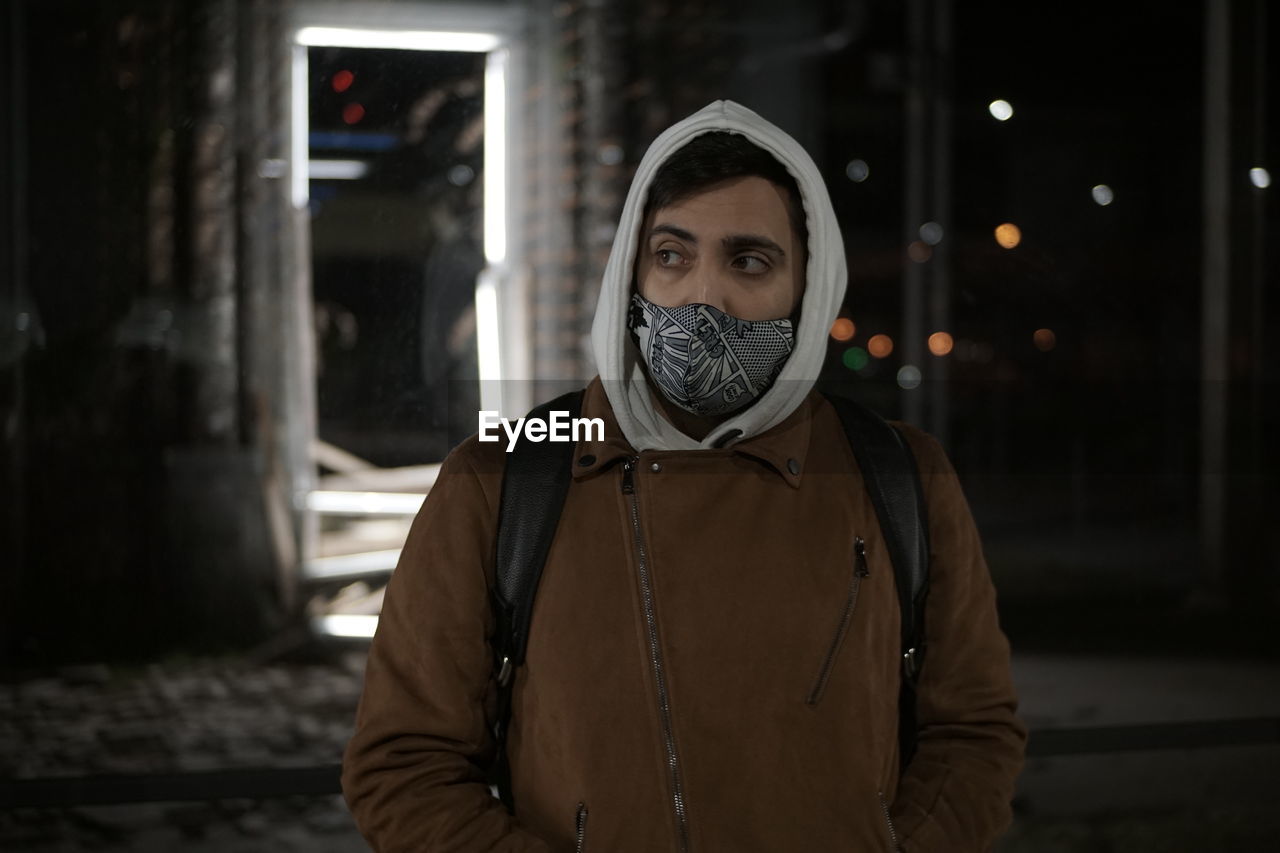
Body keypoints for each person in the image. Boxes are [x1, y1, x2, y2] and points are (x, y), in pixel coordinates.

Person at [342, 100, 1026, 852]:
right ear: (631, 273)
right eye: (672, 255)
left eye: (748, 261)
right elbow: (404, 764)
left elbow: (972, 733)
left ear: (809, 286)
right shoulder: (502, 477)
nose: (704, 296)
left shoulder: (899, 474)